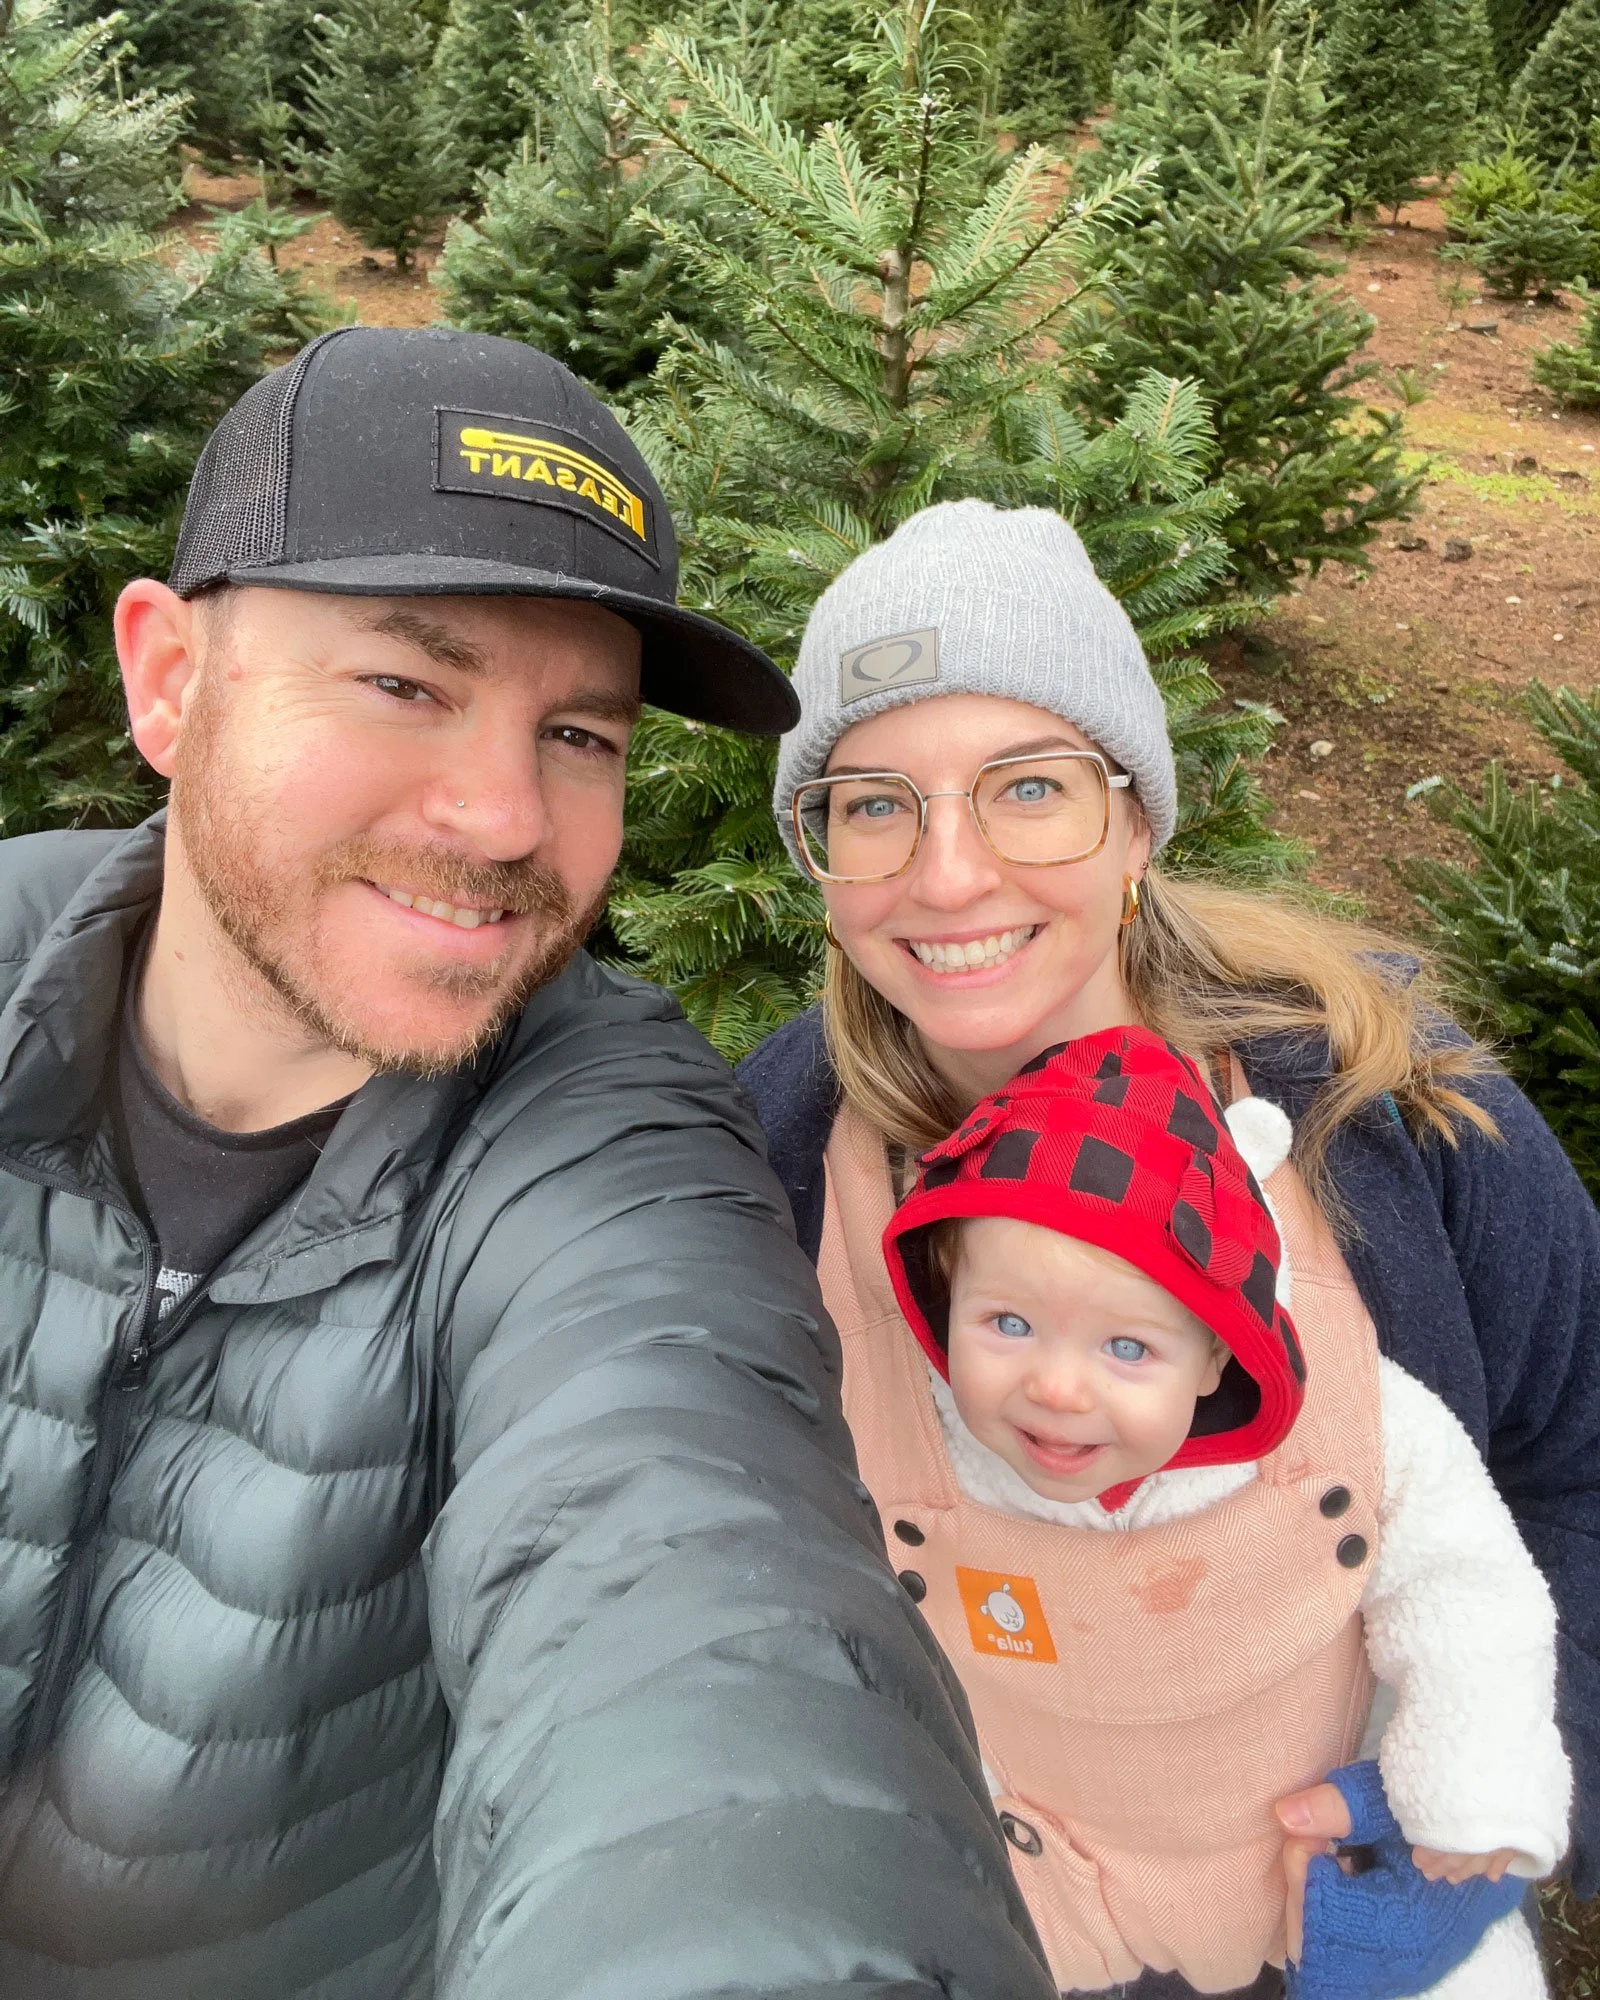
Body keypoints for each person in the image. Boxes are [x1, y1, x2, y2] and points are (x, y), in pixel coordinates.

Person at [0, 329, 1059, 2000]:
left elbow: (698, 1593)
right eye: (408, 682)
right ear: (169, 679)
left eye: (582, 736)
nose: (504, 818)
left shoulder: (602, 1142)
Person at [737, 499, 1600, 2000]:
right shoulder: (783, 1146)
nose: (947, 877)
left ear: (1138, 817)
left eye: (1030, 789)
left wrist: (1479, 1795)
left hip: (1340, 1926)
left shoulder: (1381, 1107)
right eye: (873, 804)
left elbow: (1582, 1455)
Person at [876, 1023, 1569, 1994]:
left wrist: (1471, 1775)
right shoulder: (910, 1441)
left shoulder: (1357, 1426)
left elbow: (1467, 1585)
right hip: (1055, 1877)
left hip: (1301, 1854)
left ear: (1216, 1351)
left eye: (1126, 1346)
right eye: (1008, 1322)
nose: (1056, 1386)